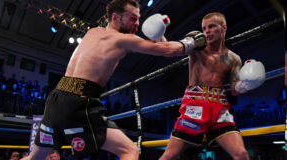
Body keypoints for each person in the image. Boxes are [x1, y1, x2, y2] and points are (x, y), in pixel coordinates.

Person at [22, 0, 206, 159]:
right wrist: (194, 41)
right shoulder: (123, 39)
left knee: (33, 157)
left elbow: (161, 46)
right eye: (132, 18)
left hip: (55, 99)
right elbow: (169, 51)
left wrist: (159, 37)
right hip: (79, 102)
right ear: (116, 17)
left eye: (138, 18)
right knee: (130, 151)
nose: (137, 23)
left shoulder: (92, 32)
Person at [159, 12, 265, 160]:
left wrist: (247, 84)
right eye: (204, 28)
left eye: (211, 26)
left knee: (241, 154)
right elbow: (176, 49)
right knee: (169, 155)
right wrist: (161, 39)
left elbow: (234, 89)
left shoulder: (234, 58)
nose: (207, 31)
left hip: (220, 108)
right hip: (194, 106)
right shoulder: (197, 47)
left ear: (223, 27)